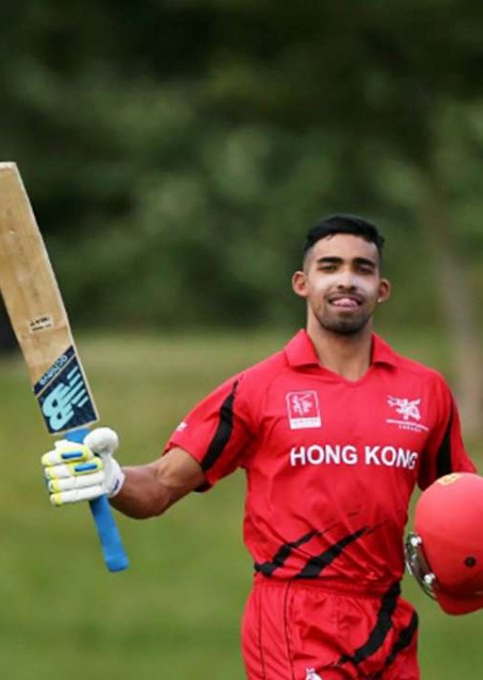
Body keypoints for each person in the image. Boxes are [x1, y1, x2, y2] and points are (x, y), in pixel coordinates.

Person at [41, 215, 478, 679]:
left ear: (382, 288)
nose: (346, 279)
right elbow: (162, 485)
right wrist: (110, 478)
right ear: (302, 283)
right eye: (329, 266)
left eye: (362, 268)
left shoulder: (424, 391)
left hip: (387, 619)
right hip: (296, 619)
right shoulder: (257, 390)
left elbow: (464, 504)